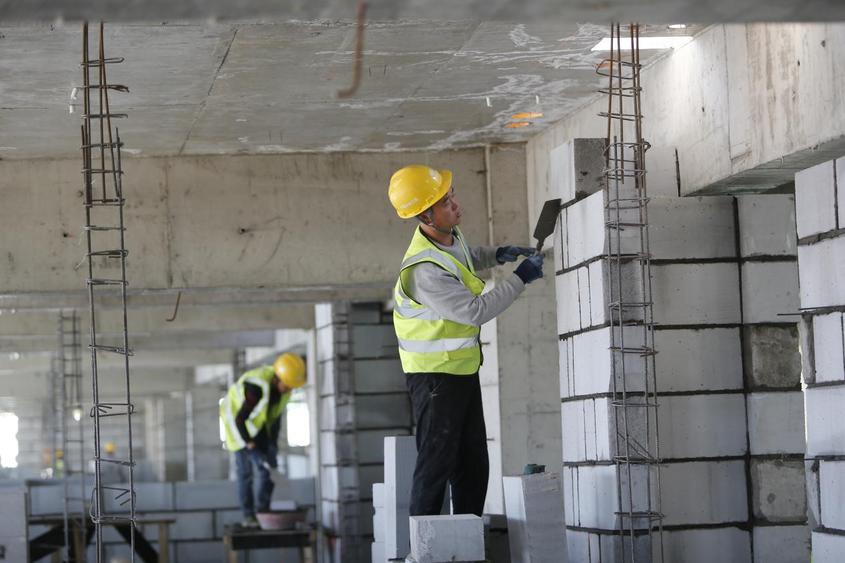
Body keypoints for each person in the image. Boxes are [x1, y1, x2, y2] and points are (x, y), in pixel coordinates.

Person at [387, 164, 545, 518]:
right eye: (445, 202)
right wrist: (522, 277)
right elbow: (476, 311)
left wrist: (496, 253)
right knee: (436, 463)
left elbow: (465, 259)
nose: (455, 204)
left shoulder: (447, 237)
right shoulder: (423, 272)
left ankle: (468, 541)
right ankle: (427, 548)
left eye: (452, 194)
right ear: (426, 214)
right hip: (434, 379)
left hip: (459, 372)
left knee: (474, 464)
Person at [219, 352, 306, 528]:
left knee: (268, 469)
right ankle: (249, 516)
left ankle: (262, 511)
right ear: (277, 378)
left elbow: (275, 418)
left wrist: (271, 445)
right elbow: (239, 419)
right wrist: (250, 445)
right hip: (237, 428)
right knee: (246, 474)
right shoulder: (255, 388)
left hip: (259, 428)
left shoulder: (283, 391)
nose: (290, 389)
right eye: (287, 385)